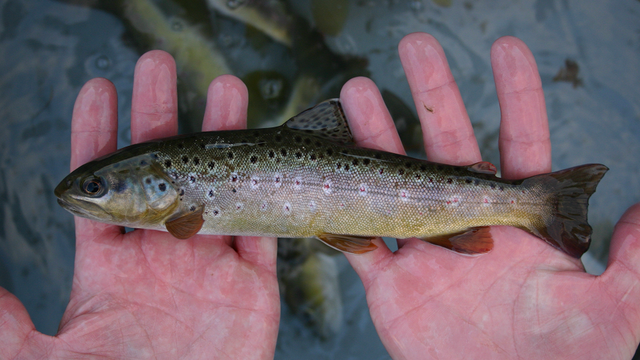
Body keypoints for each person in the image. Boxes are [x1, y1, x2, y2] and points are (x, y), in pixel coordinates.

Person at [1, 33, 639, 359]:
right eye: (96, 189)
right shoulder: (179, 203)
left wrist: (529, 200)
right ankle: (531, 203)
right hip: (362, 193)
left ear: (159, 191)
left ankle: (534, 203)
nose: (89, 197)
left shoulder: (183, 213)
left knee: (506, 200)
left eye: (98, 189)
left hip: (377, 192)